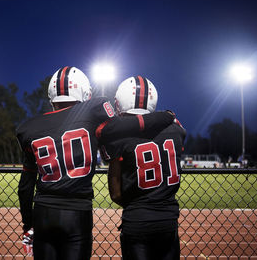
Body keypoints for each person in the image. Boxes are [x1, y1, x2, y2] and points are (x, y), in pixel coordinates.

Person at [16, 67, 176, 260]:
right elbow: (126, 125)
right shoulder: (93, 109)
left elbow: (25, 187)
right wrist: (166, 116)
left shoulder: (28, 128)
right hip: (77, 212)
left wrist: (28, 225)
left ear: (51, 96)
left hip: (43, 212)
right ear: (84, 92)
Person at [104, 76, 186, 260]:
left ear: (120, 102)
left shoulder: (119, 136)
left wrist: (137, 208)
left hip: (136, 220)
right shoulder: (177, 130)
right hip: (168, 220)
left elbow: (115, 193)